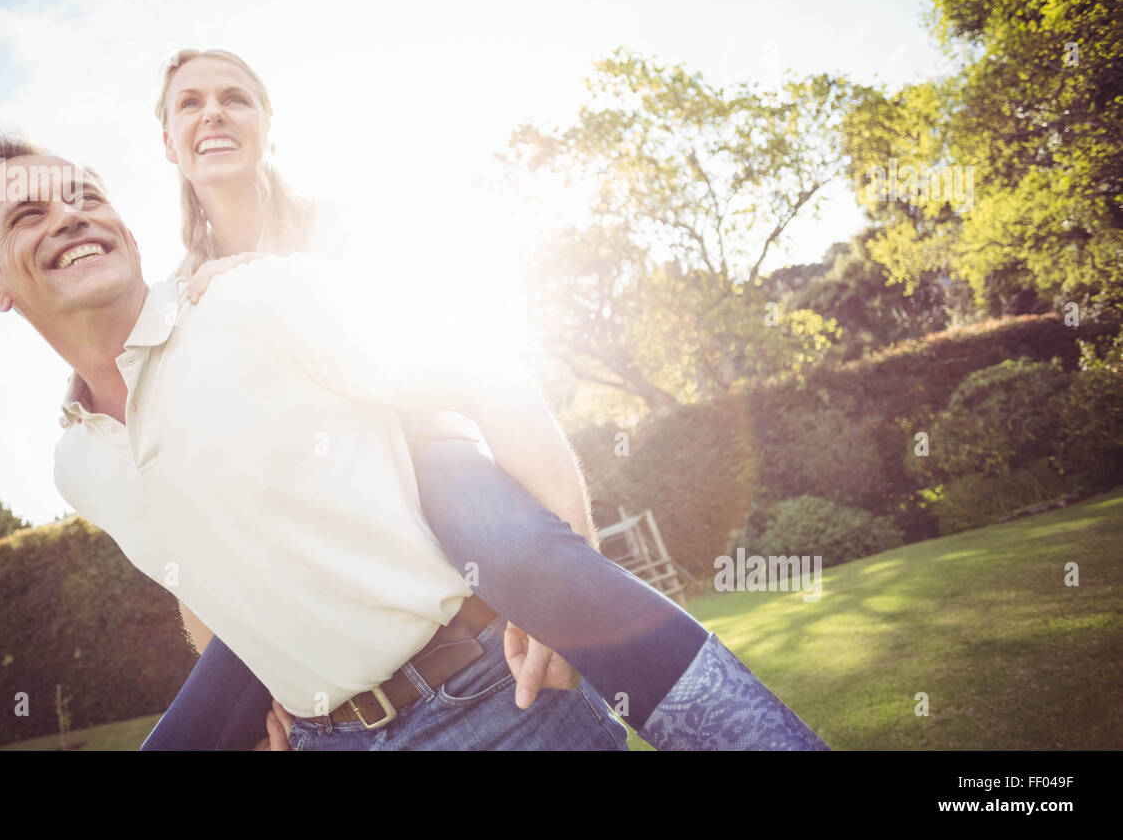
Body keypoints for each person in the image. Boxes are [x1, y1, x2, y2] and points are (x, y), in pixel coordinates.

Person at [139, 48, 831, 752]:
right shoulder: (177, 312)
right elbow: (204, 526)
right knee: (190, 729)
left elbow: (467, 357)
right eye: (190, 103)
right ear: (168, 139)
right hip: (316, 533)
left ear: (268, 124)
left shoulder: (340, 227)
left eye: (235, 97)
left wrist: (568, 589)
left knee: (515, 544)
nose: (214, 113)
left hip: (426, 457)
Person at [0, 133, 630, 751]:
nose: (70, 218)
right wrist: (266, 704)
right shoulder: (77, 465)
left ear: (126, 230)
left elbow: (486, 373)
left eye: (86, 198)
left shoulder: (244, 299)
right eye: (27, 216)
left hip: (501, 700)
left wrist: (567, 592)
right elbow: (197, 580)